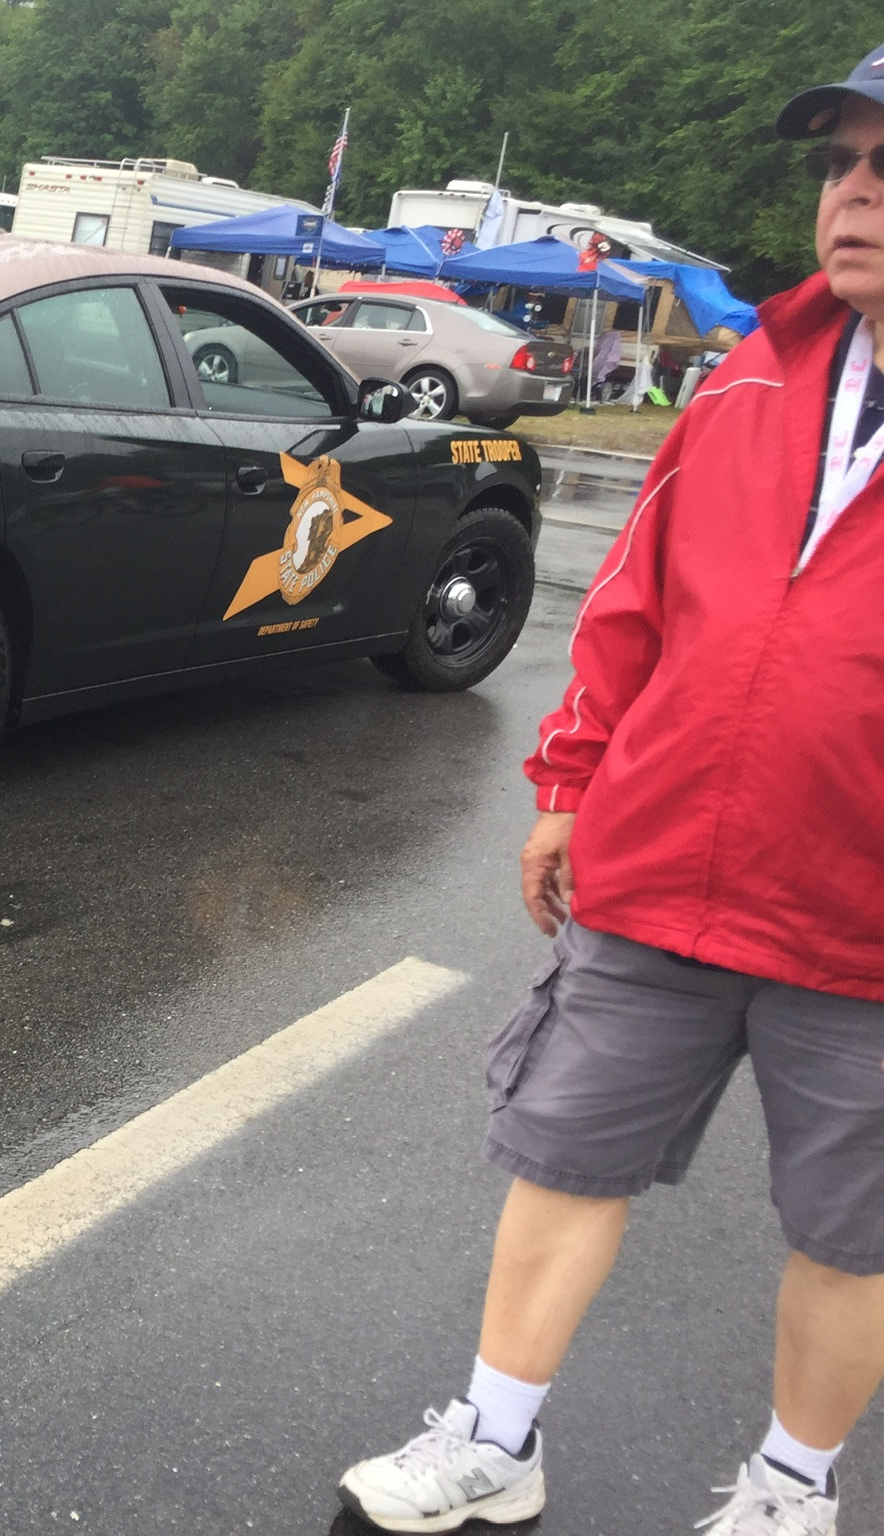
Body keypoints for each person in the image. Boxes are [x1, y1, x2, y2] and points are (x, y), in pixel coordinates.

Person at [336, 42, 884, 1536]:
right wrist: (571, 782)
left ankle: (792, 1490)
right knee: (565, 1159)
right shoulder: (754, 377)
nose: (853, 194)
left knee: (854, 1235)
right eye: (841, 162)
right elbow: (635, 600)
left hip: (864, 930)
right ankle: (497, 1442)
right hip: (662, 874)